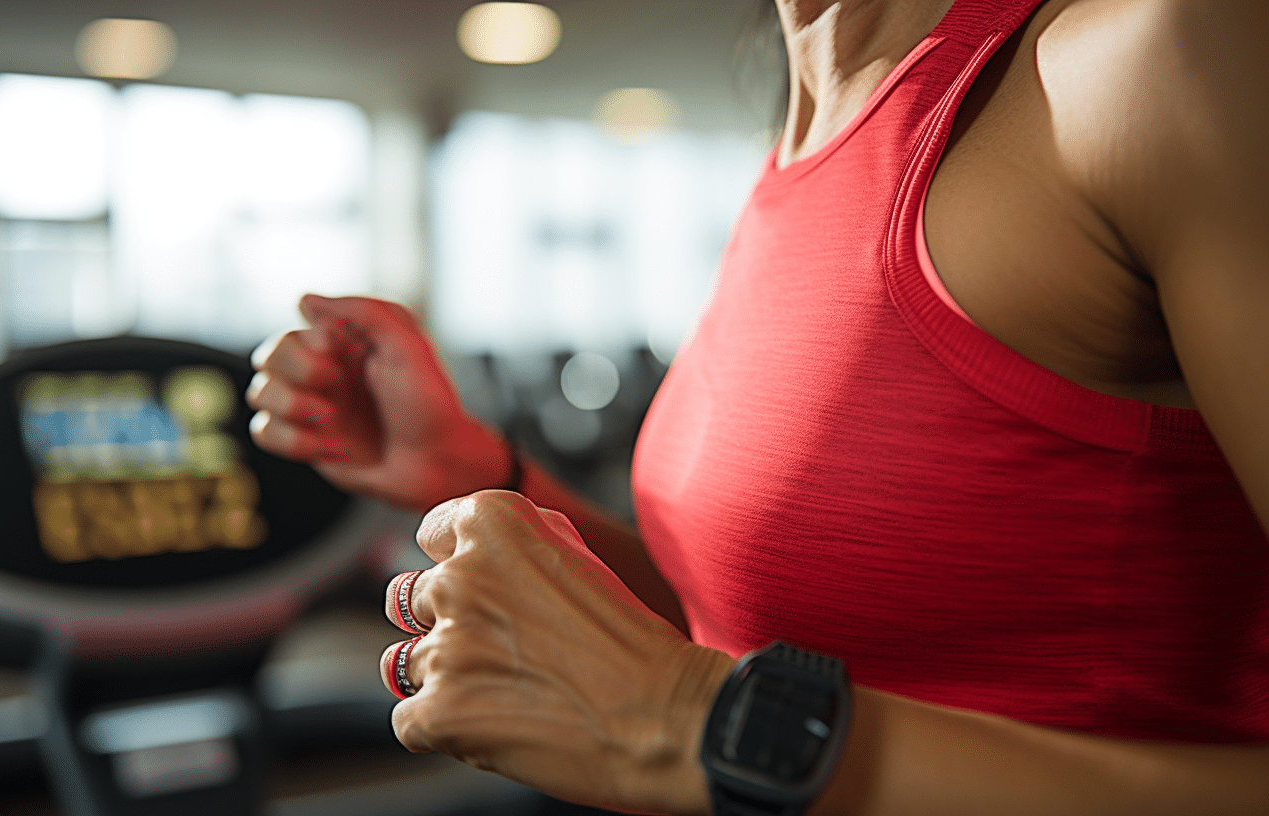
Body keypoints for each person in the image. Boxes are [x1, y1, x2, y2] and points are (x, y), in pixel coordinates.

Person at [247, 0, 1269, 813]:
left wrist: (693, 721)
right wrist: (475, 474)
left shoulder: (1155, 52)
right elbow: (741, 629)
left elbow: (700, 701)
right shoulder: (801, 144)